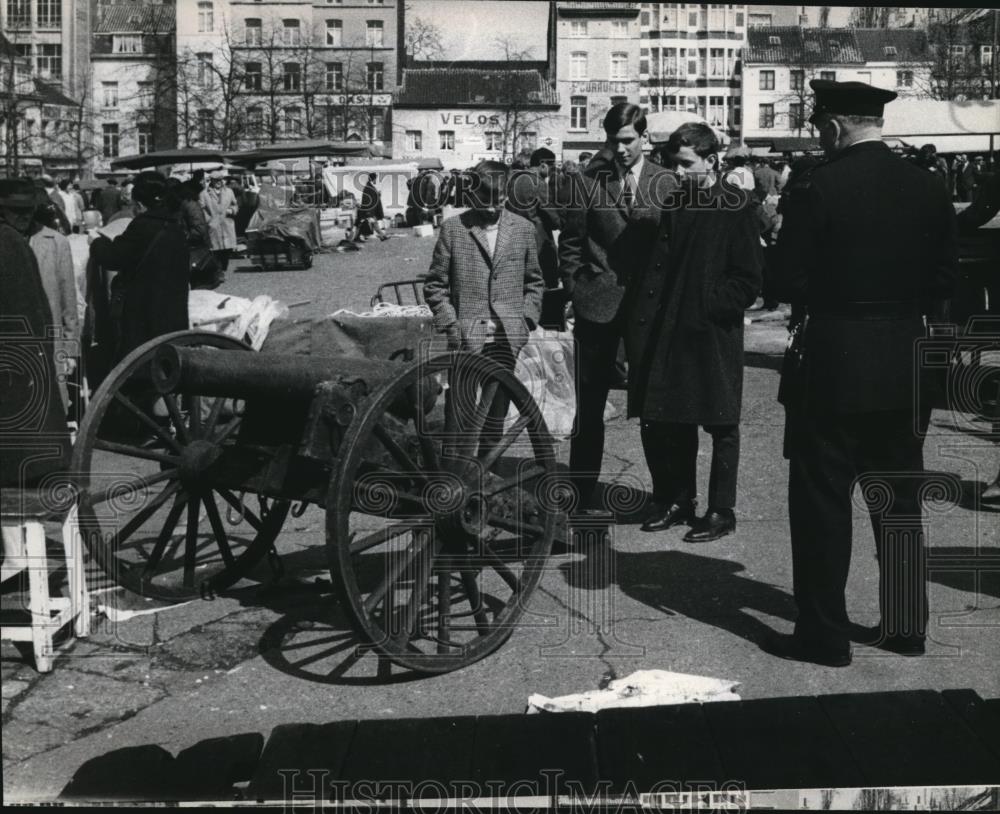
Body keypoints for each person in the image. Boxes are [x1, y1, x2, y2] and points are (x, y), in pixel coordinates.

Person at [767, 80, 958, 666]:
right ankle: (906, 626)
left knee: (823, 502)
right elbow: (944, 282)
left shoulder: (817, 186)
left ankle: (823, 635)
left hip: (832, 364)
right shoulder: (929, 187)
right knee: (899, 502)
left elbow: (783, 283)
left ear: (831, 126)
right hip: (904, 361)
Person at [627, 123, 762, 542]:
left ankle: (722, 510)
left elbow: (748, 277)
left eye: (687, 164)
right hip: (672, 326)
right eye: (674, 164)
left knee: (721, 423)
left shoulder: (736, 204)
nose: (680, 173)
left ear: (711, 160)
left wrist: (710, 306)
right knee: (673, 417)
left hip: (711, 330)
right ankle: (679, 500)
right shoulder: (677, 202)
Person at [558, 103, 678, 511]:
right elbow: (570, 242)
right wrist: (577, 288)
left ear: (645, 138)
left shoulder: (667, 182)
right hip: (598, 305)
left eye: (628, 140)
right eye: (614, 141)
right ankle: (579, 493)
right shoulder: (587, 182)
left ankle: (666, 496)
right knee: (589, 406)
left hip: (650, 308)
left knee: (654, 405)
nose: (621, 149)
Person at [422, 160, 544, 438]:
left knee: (495, 419)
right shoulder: (454, 229)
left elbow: (535, 282)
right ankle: (456, 476)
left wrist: (524, 322)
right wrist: (453, 327)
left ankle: (491, 475)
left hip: (505, 342)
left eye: (499, 200)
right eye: (485, 200)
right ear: (472, 194)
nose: (492, 208)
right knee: (458, 419)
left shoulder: (523, 229)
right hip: (466, 340)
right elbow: (435, 286)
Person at [0, 180, 71, 489]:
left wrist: (67, 350)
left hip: (40, 348)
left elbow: (67, 302)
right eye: (16, 211)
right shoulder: (11, 243)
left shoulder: (51, 240)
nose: (24, 217)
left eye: (29, 211)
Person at [90, 171, 190, 362]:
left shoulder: (142, 226)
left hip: (144, 312)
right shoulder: (176, 226)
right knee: (167, 360)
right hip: (173, 312)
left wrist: (96, 241)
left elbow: (113, 257)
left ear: (140, 205)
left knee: (141, 363)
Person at [506, 148, 560, 288]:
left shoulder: (516, 181)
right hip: (538, 240)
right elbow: (553, 218)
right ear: (543, 165)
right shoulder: (538, 183)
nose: (552, 171)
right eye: (552, 167)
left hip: (515, 238)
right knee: (545, 283)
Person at [199, 170, 238, 283]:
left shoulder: (229, 191)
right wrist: (209, 220)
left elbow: (235, 204)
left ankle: (223, 269)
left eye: (220, 180)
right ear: (211, 181)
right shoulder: (204, 194)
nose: (219, 182)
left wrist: (232, 210)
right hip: (214, 225)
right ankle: (218, 272)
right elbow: (201, 210)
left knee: (226, 250)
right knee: (215, 250)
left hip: (227, 223)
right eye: (216, 180)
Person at [351, 173, 390, 242]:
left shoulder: (369, 187)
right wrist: (368, 212)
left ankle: (382, 236)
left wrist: (378, 194)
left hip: (368, 210)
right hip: (368, 211)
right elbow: (368, 200)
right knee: (364, 224)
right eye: (375, 179)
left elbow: (372, 199)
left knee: (366, 224)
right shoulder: (369, 188)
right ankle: (382, 236)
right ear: (373, 179)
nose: (376, 180)